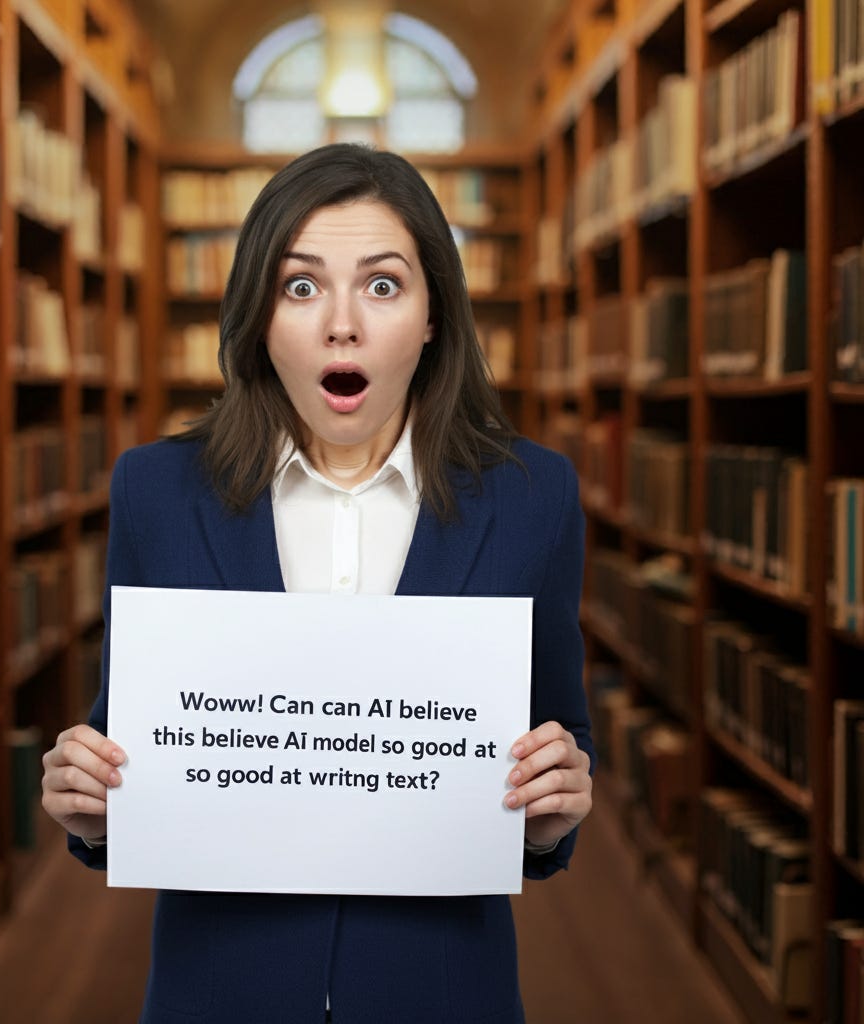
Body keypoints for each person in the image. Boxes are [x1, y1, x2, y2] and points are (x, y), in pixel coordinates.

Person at [41, 142, 594, 1024]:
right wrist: (90, 804)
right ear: (258, 315)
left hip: (444, 988)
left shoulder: (534, 498)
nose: (343, 324)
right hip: (219, 988)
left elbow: (564, 739)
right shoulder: (154, 491)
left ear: (432, 316)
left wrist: (554, 807)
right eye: (301, 286)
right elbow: (126, 750)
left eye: (382, 285)